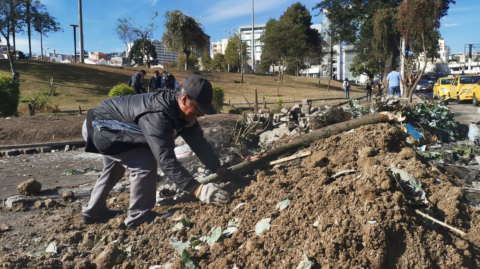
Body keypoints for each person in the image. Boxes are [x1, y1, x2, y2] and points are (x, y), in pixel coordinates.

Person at [81, 75, 236, 227]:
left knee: (114, 168)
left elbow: (199, 144)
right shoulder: (159, 115)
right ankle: (139, 216)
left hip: (106, 124)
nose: (201, 114)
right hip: (101, 126)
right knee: (145, 162)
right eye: (199, 108)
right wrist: (198, 190)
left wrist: (218, 168)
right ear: (184, 99)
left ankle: (93, 211)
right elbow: (166, 161)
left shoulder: (183, 114)